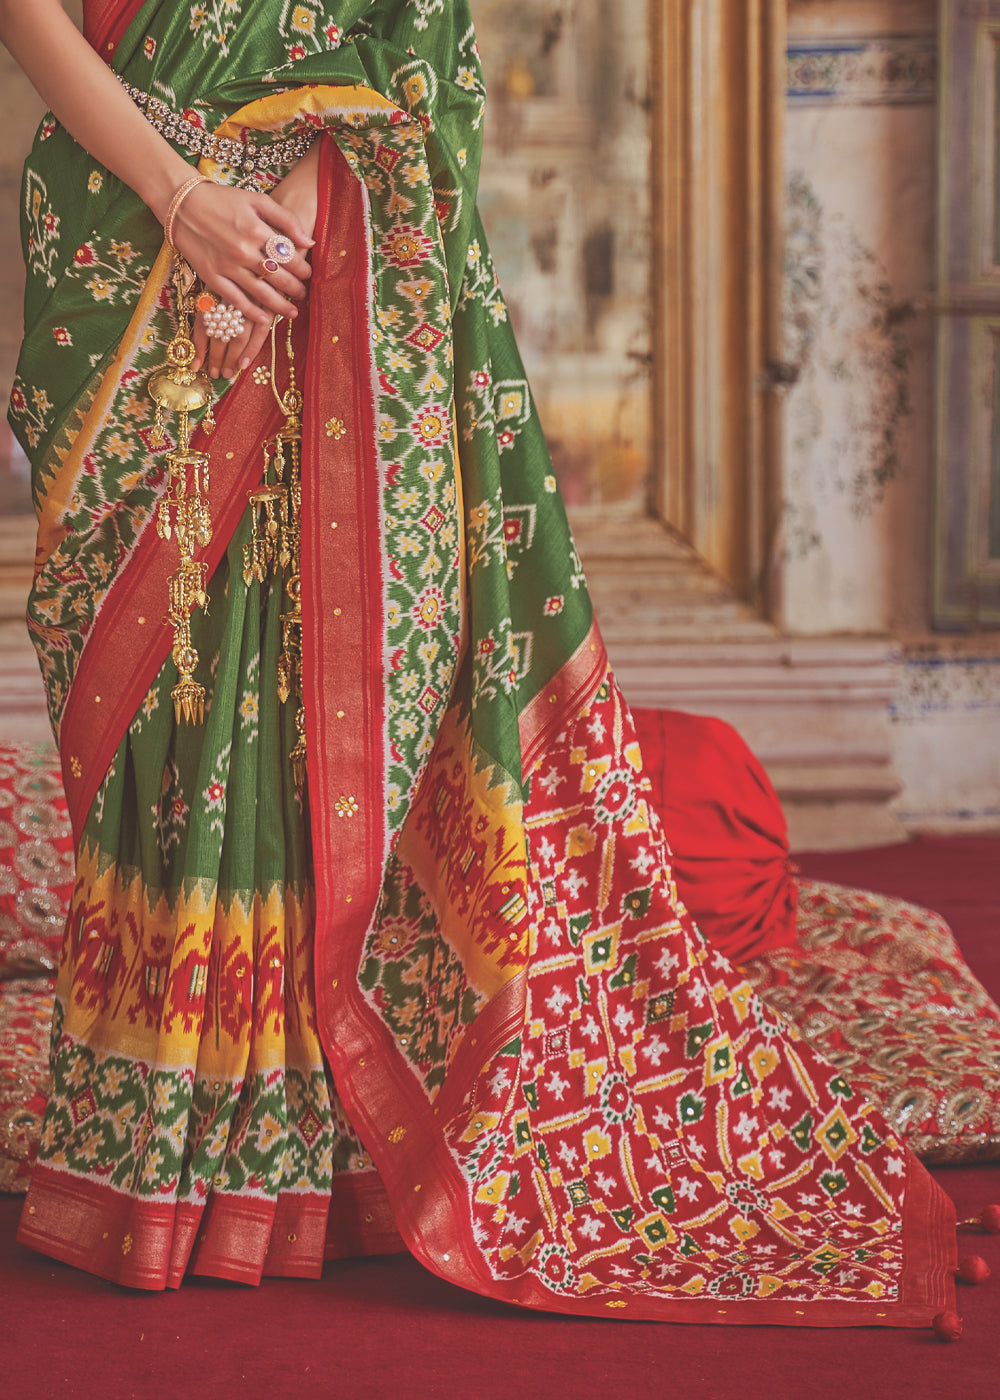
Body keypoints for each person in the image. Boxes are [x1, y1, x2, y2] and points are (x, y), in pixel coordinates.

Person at [2, 0, 957, 1322]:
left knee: (294, 707)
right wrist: (182, 205)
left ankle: (298, 1166)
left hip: (309, 240)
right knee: (155, 708)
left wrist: (289, 223)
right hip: (117, 231)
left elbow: (411, 53)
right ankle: (152, 1147)